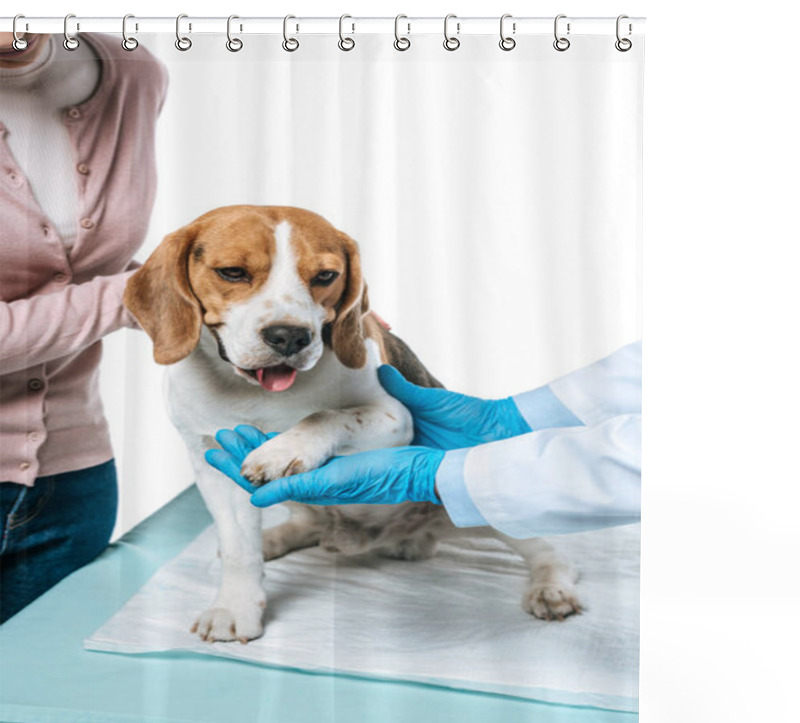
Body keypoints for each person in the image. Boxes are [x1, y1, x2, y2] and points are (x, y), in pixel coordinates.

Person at [0, 32, 168, 622]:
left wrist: (254, 309)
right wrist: (146, 295)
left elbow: (82, 265)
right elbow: (120, 293)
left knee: (51, 706)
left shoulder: (133, 74)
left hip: (74, 482)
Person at [206, 340, 642, 539]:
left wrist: (429, 475)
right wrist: (507, 420)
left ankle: (550, 568)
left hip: (428, 516)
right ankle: (307, 530)